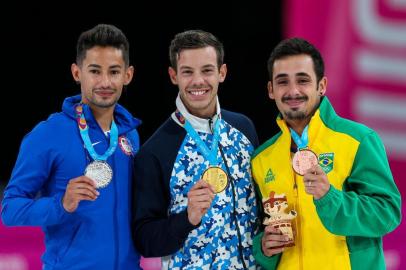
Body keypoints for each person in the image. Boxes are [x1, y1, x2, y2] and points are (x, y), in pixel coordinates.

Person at [251, 37, 402, 269]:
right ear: (271, 90)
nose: (293, 91)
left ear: (321, 86)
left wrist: (330, 197)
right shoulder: (262, 158)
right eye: (283, 82)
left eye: (303, 80)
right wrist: (264, 247)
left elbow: (388, 213)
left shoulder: (358, 140)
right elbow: (260, 229)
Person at [1, 24, 142, 269]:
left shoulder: (130, 135)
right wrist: (61, 204)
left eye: (114, 71)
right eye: (95, 71)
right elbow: (10, 208)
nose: (105, 82)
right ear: (77, 73)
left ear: (127, 75)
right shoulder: (48, 134)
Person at [132, 30, 259, 269]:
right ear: (173, 76)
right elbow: (144, 239)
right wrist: (186, 219)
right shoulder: (155, 151)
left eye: (207, 70)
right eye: (187, 72)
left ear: (222, 73)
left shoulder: (243, 128)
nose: (198, 81)